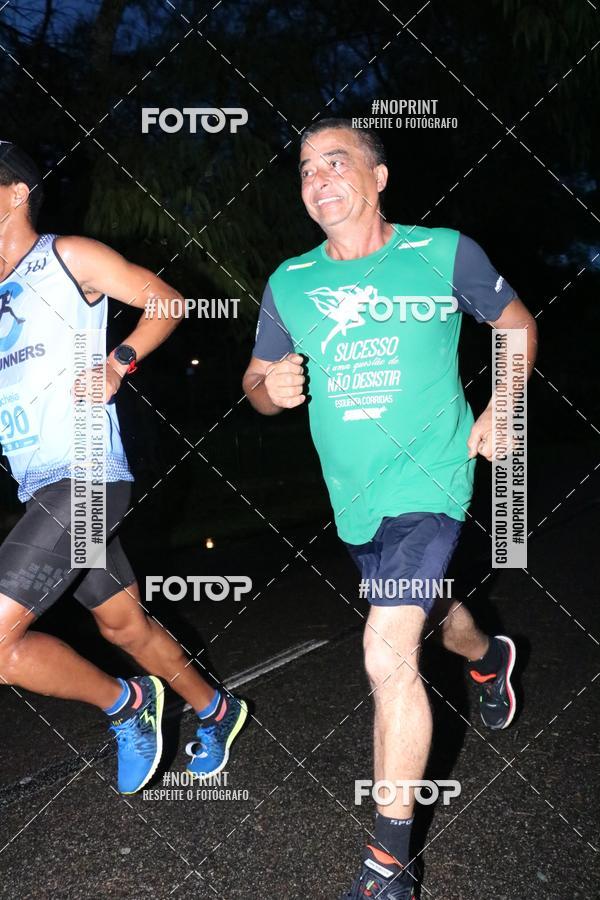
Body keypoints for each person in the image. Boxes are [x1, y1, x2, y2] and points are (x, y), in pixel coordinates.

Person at [242, 119, 537, 898]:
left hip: (431, 482)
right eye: (306, 169)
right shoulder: (290, 281)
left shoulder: (441, 253)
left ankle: (388, 866)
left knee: (388, 652)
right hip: (356, 500)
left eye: (336, 162)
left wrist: (504, 404)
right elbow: (256, 380)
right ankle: (486, 654)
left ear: (378, 178)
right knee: (428, 613)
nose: (318, 179)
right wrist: (267, 391)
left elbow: (513, 323)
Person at [0, 142, 247, 795]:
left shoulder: (66, 257)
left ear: (16, 193)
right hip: (41, 488)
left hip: (84, 478)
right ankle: (217, 711)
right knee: (123, 623)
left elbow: (167, 301)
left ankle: (126, 704)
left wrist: (119, 361)